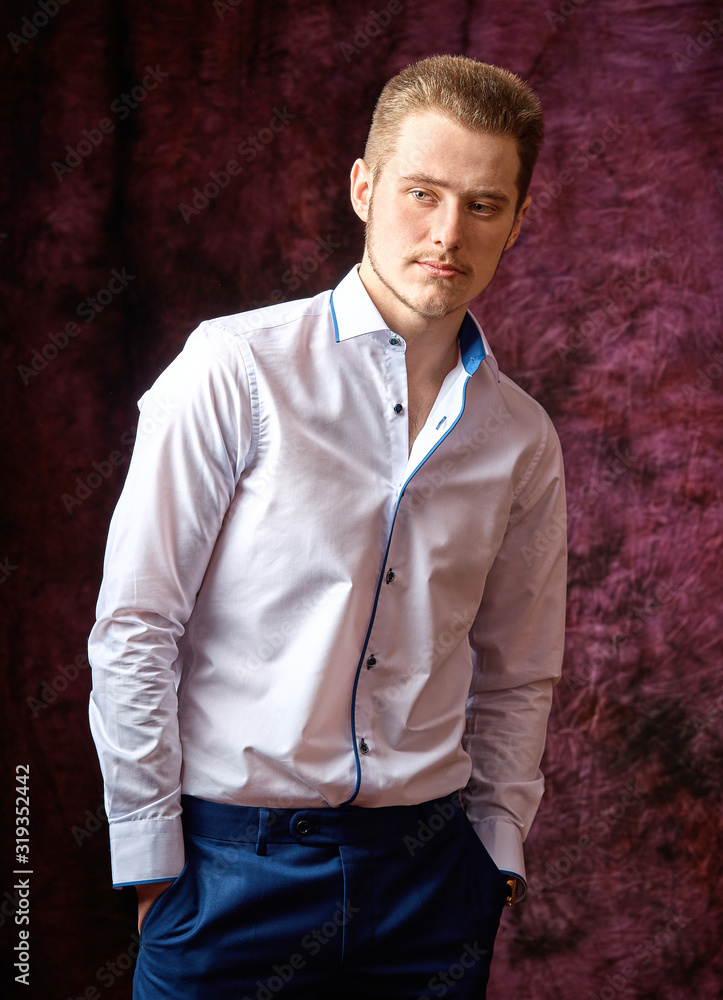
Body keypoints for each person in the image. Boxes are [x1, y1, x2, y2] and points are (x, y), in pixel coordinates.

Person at [88, 54, 567, 999]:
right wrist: (151, 868)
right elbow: (137, 627)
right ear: (363, 188)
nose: (447, 233)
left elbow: (518, 670)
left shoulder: (522, 438)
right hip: (229, 872)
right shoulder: (234, 370)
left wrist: (494, 856)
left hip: (432, 884)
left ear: (517, 220)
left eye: (481, 204)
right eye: (422, 193)